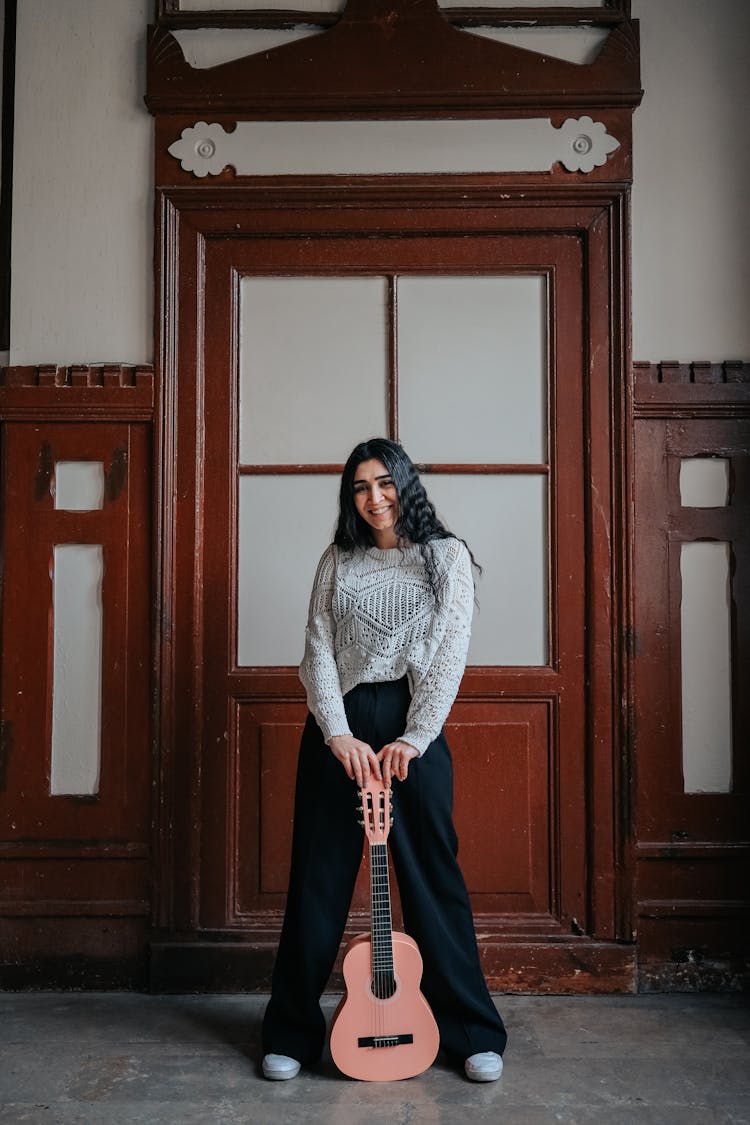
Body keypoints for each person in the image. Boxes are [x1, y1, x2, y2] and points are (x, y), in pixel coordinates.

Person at [261, 437, 507, 1083]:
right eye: (360, 487)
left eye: (384, 483)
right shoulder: (336, 560)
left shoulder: (445, 556)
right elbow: (316, 649)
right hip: (337, 730)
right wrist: (336, 734)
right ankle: (290, 1031)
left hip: (412, 731)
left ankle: (472, 1032)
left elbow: (452, 649)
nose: (374, 498)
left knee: (432, 879)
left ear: (406, 483)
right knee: (317, 881)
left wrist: (416, 735)